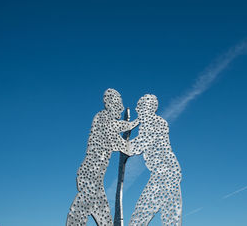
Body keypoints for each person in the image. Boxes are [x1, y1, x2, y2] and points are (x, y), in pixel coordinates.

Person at [67, 89, 139, 226]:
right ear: (111, 104)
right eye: (119, 103)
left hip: (94, 180)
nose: (122, 107)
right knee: (86, 212)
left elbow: (121, 133)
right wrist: (140, 120)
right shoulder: (103, 119)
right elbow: (123, 142)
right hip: (90, 178)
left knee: (91, 213)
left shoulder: (106, 122)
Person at [128, 94, 182, 226]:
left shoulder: (155, 123)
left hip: (164, 174)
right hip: (167, 174)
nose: (136, 109)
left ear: (147, 108)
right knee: (169, 218)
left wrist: (119, 144)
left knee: (140, 216)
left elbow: (139, 144)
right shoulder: (150, 123)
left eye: (139, 106)